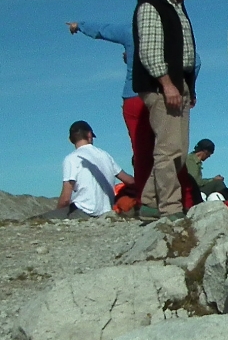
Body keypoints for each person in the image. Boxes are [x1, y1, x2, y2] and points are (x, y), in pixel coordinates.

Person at [67, 21, 202, 216]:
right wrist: (190, 89)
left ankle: (145, 203)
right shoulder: (172, 33)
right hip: (165, 95)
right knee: (172, 150)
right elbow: (195, 61)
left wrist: (78, 25)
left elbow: (102, 30)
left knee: (142, 155)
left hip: (134, 97)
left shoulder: (131, 31)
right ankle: (186, 200)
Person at [132, 0, 198, 220]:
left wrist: (187, 88)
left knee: (178, 148)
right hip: (163, 86)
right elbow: (149, 51)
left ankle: (149, 202)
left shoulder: (175, 6)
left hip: (178, 84)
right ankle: (170, 208)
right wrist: (167, 84)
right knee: (168, 148)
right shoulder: (151, 4)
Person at [42, 121, 135, 219]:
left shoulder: (71, 159)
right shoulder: (105, 155)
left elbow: (65, 199)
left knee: (39, 219)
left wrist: (58, 215)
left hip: (83, 211)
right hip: (107, 210)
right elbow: (129, 180)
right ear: (89, 135)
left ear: (70, 139)